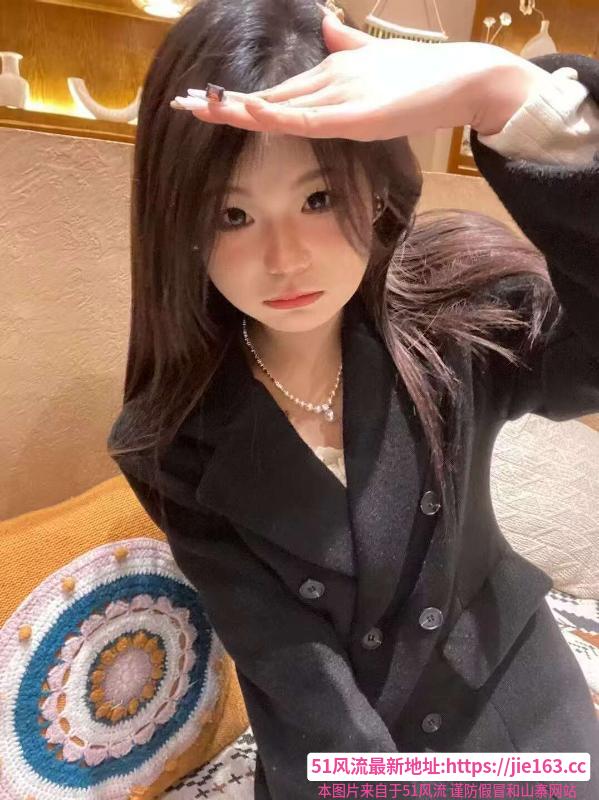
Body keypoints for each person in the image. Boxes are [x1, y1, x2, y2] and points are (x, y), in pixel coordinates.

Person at [107, 0, 599, 796]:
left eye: (318, 199)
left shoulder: (458, 306)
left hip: (517, 719)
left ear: (372, 190)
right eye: (232, 214)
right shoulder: (169, 440)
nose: (284, 259)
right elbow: (289, 667)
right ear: (180, 228)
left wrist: (508, 95)